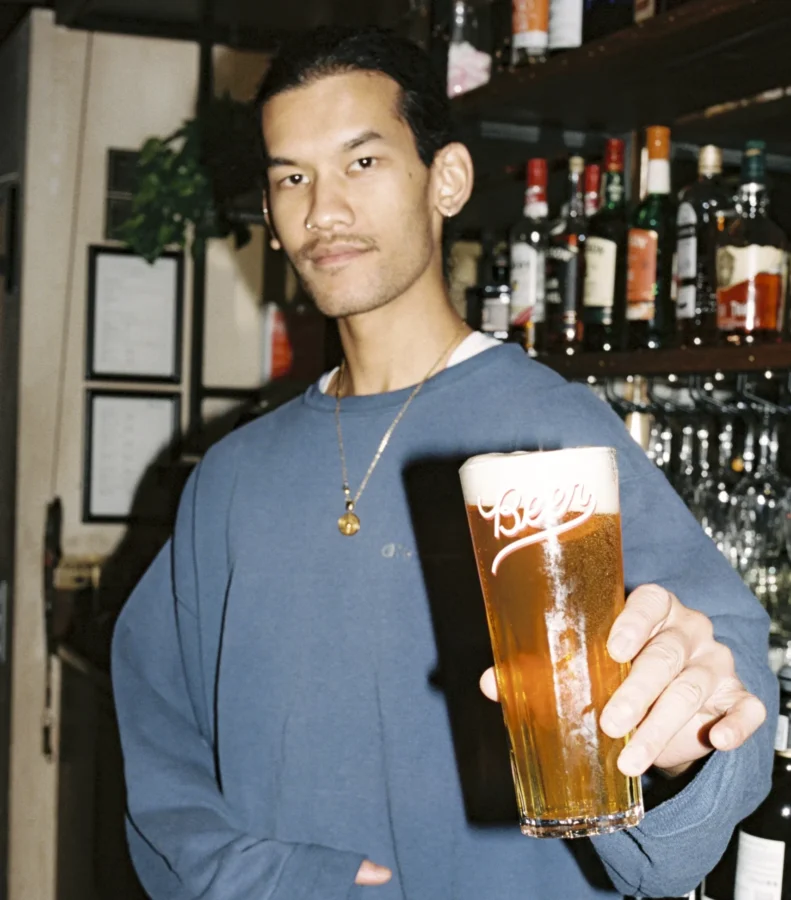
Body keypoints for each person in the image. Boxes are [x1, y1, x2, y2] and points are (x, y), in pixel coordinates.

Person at [112, 26, 776, 900]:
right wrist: (265, 879)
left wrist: (683, 749)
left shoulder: (550, 434)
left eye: (361, 162)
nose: (322, 212)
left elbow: (719, 689)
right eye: (290, 177)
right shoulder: (231, 476)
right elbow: (159, 747)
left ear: (447, 180)